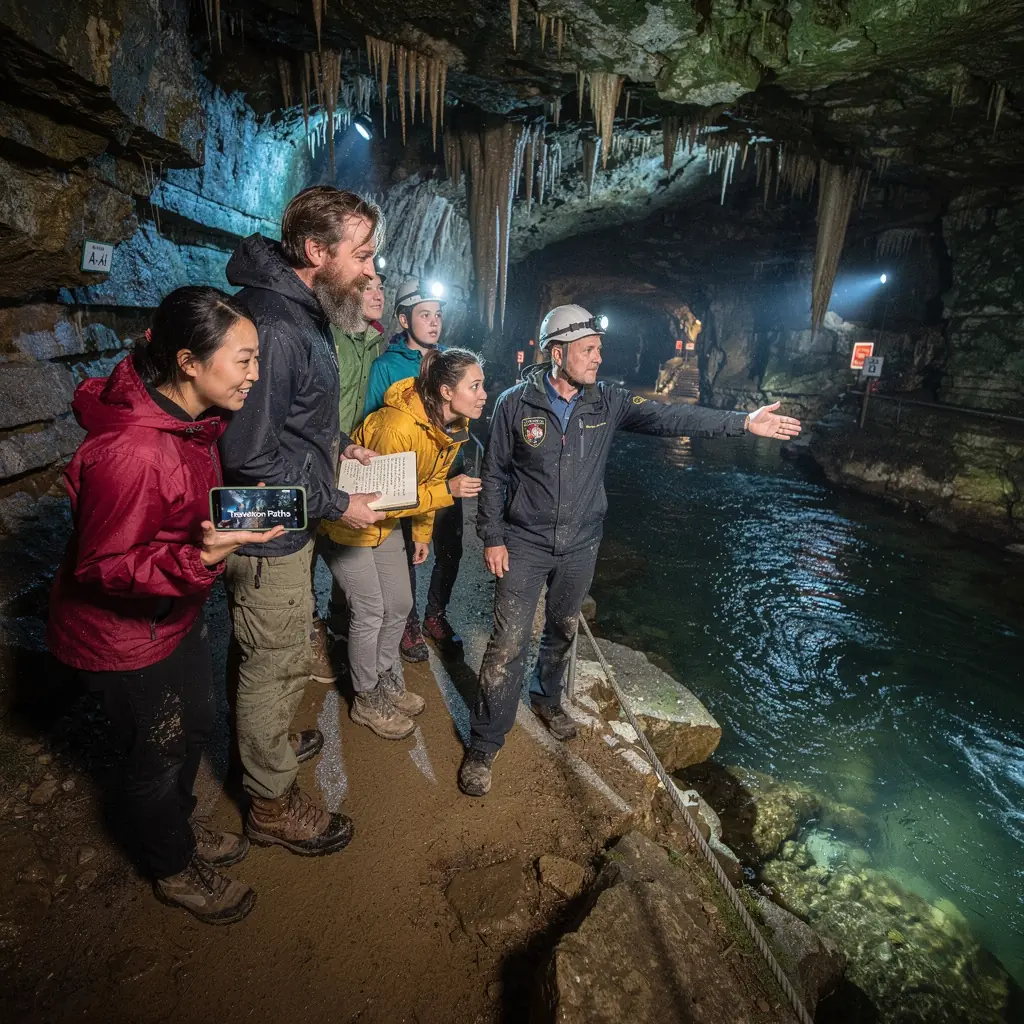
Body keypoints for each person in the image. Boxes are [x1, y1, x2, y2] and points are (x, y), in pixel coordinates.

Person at [459, 304, 802, 796]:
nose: (599, 357)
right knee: (507, 644)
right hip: (526, 542)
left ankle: (548, 700)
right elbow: (493, 475)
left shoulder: (607, 403)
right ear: (557, 353)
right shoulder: (515, 404)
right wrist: (492, 536)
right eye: (589, 350)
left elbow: (670, 417)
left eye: (599, 348)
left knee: (562, 630)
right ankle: (485, 744)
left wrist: (742, 422)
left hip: (580, 543)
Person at [47, 287, 286, 924]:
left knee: (193, 728)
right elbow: (101, 565)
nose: (255, 374)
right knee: (156, 755)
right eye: (243, 360)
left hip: (169, 615)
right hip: (121, 638)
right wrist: (201, 559)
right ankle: (172, 866)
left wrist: (222, 524)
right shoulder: (134, 451)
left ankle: (177, 828)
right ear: (188, 361)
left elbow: (175, 509)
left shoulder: (189, 421)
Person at [219, 186, 385, 856]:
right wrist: (343, 500)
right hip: (268, 527)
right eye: (364, 254)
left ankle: (268, 748)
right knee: (275, 661)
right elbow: (251, 454)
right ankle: (270, 803)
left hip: (286, 517)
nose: (372, 269)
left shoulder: (297, 307)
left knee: (270, 651)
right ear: (316, 251)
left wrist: (339, 444)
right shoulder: (280, 327)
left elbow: (288, 418)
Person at [320, 349, 486, 739]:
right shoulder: (397, 427)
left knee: (399, 603)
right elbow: (385, 496)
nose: (483, 395)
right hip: (350, 522)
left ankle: (384, 677)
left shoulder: (452, 426)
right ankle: (365, 698)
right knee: (371, 609)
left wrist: (423, 534)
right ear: (446, 391)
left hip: (388, 525)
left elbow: (428, 482)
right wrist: (448, 492)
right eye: (474, 386)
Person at [363, 278, 467, 663]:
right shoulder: (386, 366)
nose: (434, 322)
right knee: (407, 552)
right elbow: (372, 421)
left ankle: (435, 615)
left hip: (447, 472)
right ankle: (406, 622)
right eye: (425, 315)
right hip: (404, 476)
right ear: (404, 320)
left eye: (438, 315)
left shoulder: (448, 364)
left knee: (450, 550)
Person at [308, 264, 388, 681]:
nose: (376, 293)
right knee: (304, 551)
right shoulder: (327, 334)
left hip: (350, 455)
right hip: (316, 454)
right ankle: (309, 634)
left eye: (379, 287)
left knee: (347, 548)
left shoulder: (373, 342)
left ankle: (340, 626)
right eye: (366, 286)